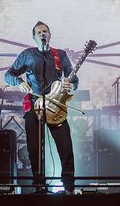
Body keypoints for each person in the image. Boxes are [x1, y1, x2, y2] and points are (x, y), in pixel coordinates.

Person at [5, 21, 78, 194]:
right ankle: (39, 186)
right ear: (34, 37)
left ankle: (69, 187)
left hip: (55, 106)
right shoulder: (27, 55)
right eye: (39, 32)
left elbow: (73, 78)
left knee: (66, 147)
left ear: (50, 35)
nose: (42, 34)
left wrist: (72, 86)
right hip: (34, 106)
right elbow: (9, 75)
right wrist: (19, 82)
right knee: (35, 149)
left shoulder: (60, 55)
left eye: (45, 31)